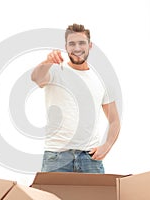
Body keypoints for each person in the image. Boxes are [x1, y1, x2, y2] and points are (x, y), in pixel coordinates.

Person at [31, 23, 120, 173]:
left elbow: (114, 120)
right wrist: (47, 62)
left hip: (90, 159)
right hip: (56, 157)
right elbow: (36, 78)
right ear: (66, 47)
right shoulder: (55, 71)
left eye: (81, 43)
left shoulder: (101, 80)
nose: (77, 48)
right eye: (71, 44)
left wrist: (107, 145)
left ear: (90, 46)